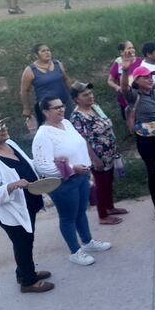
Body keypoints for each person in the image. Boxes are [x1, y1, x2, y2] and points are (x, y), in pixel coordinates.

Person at [0, 114, 53, 293]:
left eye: (2, 125)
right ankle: (28, 282)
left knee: (27, 240)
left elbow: (27, 163)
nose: (4, 129)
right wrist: (11, 186)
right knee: (22, 243)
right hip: (11, 212)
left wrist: (44, 167)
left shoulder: (9, 144)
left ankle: (25, 272)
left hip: (27, 203)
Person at [32, 97, 112, 266]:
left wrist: (85, 169)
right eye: (55, 108)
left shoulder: (67, 124)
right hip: (63, 183)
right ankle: (75, 251)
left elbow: (78, 146)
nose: (61, 110)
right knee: (68, 217)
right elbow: (42, 166)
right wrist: (71, 169)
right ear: (45, 112)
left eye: (62, 106)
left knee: (81, 212)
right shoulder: (43, 135)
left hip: (81, 177)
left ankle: (87, 241)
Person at [120, 61, 155, 222]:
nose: (150, 79)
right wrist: (125, 70)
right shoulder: (134, 96)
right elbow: (124, 88)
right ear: (137, 81)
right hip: (146, 141)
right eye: (145, 78)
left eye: (150, 76)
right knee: (154, 173)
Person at [69, 81, 127, 225]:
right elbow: (83, 140)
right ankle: (103, 215)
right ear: (76, 99)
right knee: (101, 184)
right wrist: (94, 159)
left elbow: (107, 125)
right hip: (97, 155)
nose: (90, 96)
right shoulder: (77, 117)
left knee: (109, 181)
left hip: (110, 151)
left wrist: (115, 147)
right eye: (85, 95)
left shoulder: (95, 107)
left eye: (90, 93)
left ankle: (110, 207)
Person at [20, 44, 73, 132]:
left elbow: (66, 79)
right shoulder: (30, 70)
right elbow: (24, 91)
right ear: (36, 55)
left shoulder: (57, 64)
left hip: (64, 103)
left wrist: (73, 94)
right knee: (53, 130)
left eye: (48, 50)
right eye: (43, 51)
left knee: (70, 126)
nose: (47, 52)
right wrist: (26, 108)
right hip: (47, 108)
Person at [107, 41, 142, 120]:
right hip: (125, 98)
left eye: (133, 47)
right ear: (122, 52)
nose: (132, 50)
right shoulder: (118, 63)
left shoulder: (140, 61)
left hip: (140, 98)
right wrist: (117, 87)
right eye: (129, 48)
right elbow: (110, 80)